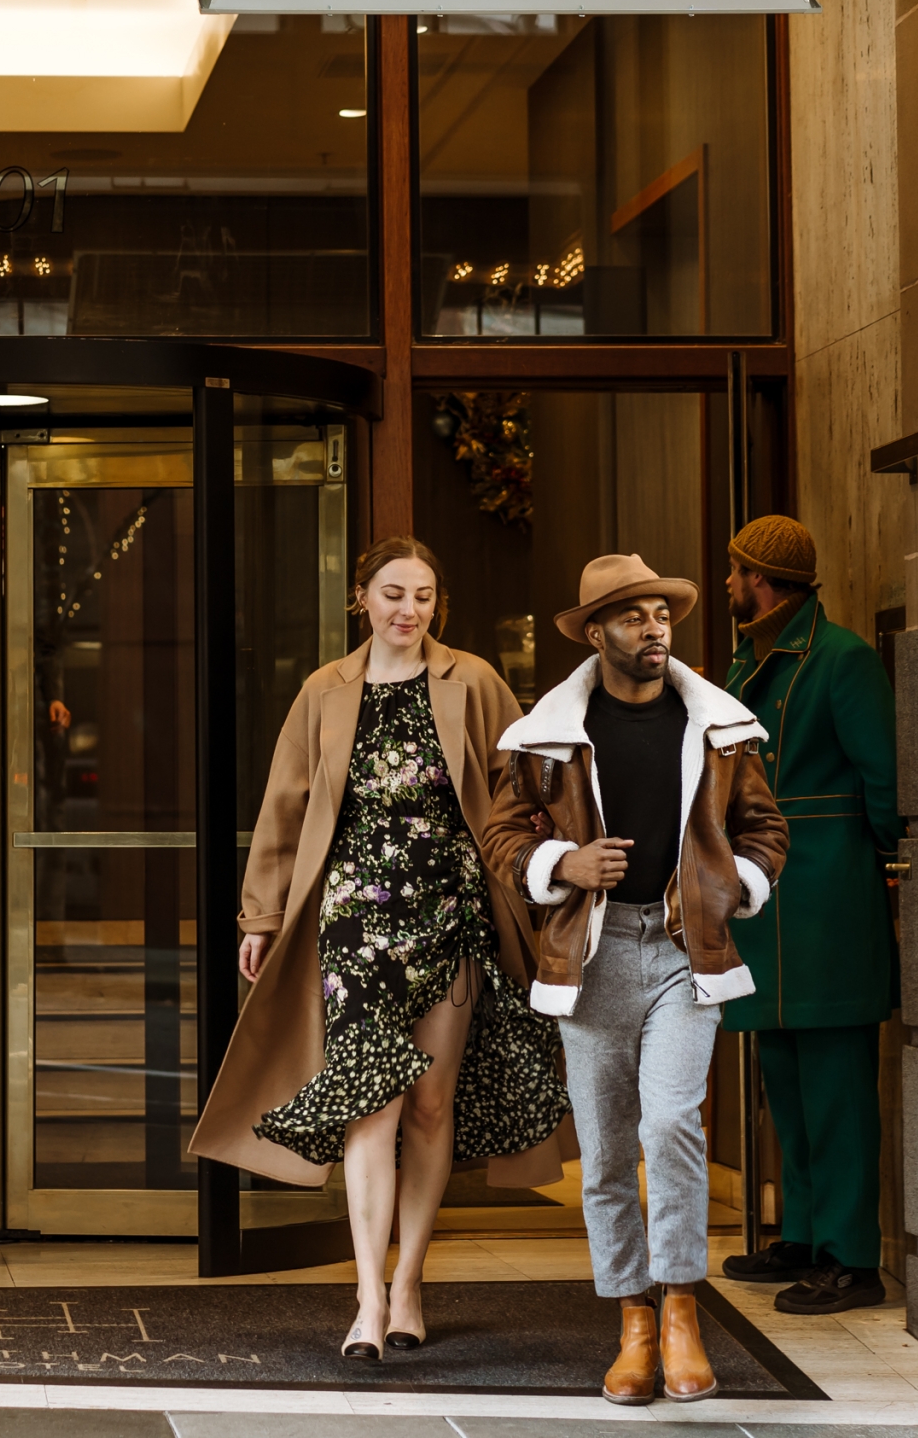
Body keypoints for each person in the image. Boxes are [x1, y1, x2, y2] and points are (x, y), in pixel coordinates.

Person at [189, 535, 570, 1362]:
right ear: (362, 597)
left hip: (453, 914)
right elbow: (282, 806)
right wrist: (260, 915)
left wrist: (547, 857)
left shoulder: (472, 679)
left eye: (425, 595)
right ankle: (366, 1294)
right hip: (355, 925)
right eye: (394, 592)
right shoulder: (324, 690)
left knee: (431, 1103)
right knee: (374, 1100)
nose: (410, 609)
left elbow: (529, 780)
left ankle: (409, 1286)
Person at [496, 553, 788, 1406]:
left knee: (670, 1123)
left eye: (661, 613)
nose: (653, 627)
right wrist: (564, 861)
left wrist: (740, 882)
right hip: (588, 957)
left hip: (680, 950)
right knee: (608, 1153)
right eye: (633, 616)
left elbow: (765, 827)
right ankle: (631, 1316)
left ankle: (682, 1310)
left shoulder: (716, 727)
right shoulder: (547, 735)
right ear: (597, 633)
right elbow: (503, 837)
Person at [715, 515, 902, 1315]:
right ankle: (803, 1229)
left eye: (735, 571)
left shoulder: (844, 658)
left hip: (827, 901)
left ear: (763, 578)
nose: (727, 584)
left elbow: (885, 780)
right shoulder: (746, 657)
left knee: (836, 1086)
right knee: (784, 1079)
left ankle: (853, 1258)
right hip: (764, 893)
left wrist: (892, 871)